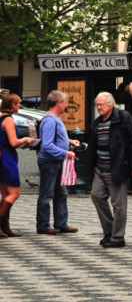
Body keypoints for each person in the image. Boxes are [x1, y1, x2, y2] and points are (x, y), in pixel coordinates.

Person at [84, 92, 132, 249]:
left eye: (101, 105)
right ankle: (110, 230)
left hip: (116, 167)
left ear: (111, 105)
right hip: (99, 168)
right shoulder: (97, 122)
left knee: (118, 204)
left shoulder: (123, 117)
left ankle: (118, 237)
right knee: (96, 196)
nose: (99, 108)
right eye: (97, 105)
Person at [36, 90, 80, 235]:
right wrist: (65, 153)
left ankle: (61, 223)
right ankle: (43, 225)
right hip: (50, 162)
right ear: (58, 103)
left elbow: (56, 139)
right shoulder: (50, 121)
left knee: (61, 193)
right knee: (47, 194)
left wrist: (69, 141)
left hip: (57, 161)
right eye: (65, 102)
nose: (66, 105)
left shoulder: (56, 119)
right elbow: (47, 145)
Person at [0, 93, 36, 238]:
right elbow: (14, 142)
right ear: (12, 105)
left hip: (3, 154)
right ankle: (2, 225)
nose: (19, 105)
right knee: (14, 193)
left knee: (5, 194)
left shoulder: (1, 117)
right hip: (6, 157)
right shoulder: (9, 120)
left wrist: (23, 145)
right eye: (18, 103)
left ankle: (5, 228)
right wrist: (26, 139)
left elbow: (7, 141)